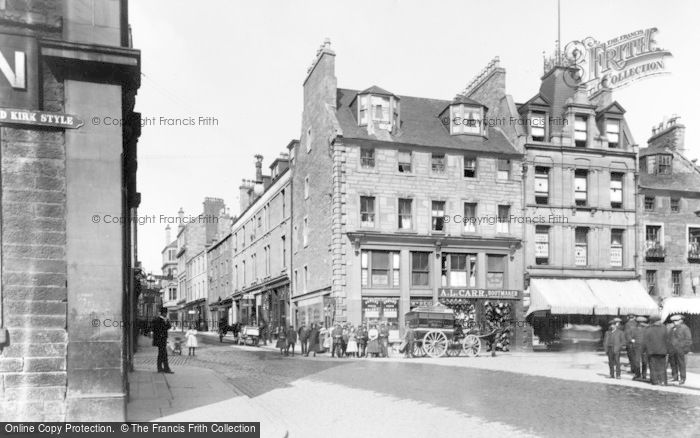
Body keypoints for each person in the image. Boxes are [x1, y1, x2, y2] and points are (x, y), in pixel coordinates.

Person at [643, 315, 669, 385]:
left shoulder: (648, 329)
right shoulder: (664, 328)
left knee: (653, 367)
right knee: (662, 367)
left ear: (652, 321)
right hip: (662, 351)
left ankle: (655, 381)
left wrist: (645, 350)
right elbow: (667, 339)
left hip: (652, 351)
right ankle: (663, 381)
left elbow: (645, 341)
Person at [668, 314, 692, 385]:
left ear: (681, 320)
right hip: (672, 349)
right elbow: (670, 338)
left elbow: (688, 340)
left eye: (676, 321)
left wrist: (682, 348)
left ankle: (682, 378)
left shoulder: (685, 328)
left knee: (681, 364)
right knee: (673, 363)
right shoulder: (672, 328)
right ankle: (675, 377)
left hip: (680, 349)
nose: (674, 322)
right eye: (673, 321)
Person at [152, 307, 173, 374]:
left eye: (166, 313)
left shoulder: (165, 319)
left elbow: (169, 327)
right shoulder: (158, 320)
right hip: (160, 340)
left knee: (162, 354)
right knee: (163, 354)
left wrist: (167, 321)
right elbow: (157, 329)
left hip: (163, 339)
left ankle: (161, 368)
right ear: (162, 313)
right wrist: (165, 322)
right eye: (165, 313)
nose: (166, 314)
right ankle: (165, 368)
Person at [631, 316, 649, 381]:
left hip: (644, 347)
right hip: (637, 346)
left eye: (642, 322)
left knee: (644, 361)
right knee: (637, 361)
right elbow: (632, 337)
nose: (641, 324)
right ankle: (637, 374)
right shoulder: (634, 329)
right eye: (639, 322)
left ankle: (644, 375)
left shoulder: (647, 329)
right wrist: (632, 341)